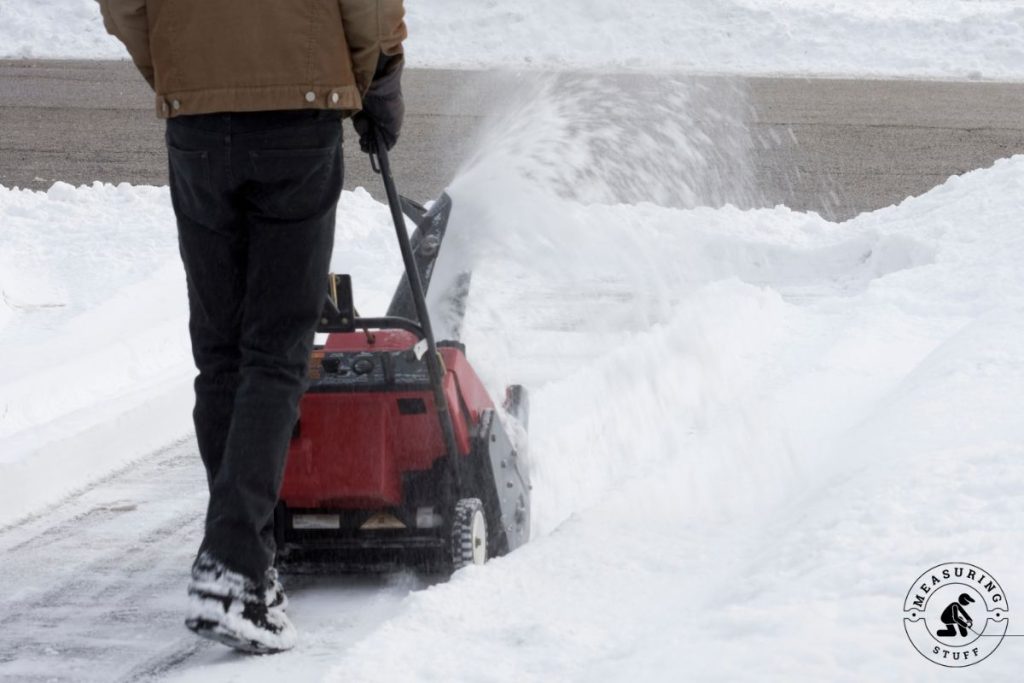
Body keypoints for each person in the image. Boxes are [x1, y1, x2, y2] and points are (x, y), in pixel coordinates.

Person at [98, 0, 406, 653]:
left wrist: (183, 74)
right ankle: (234, 563)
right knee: (273, 351)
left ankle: (247, 569)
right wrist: (373, 79)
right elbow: (371, 6)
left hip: (198, 121)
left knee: (221, 354)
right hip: (301, 110)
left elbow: (123, 4)